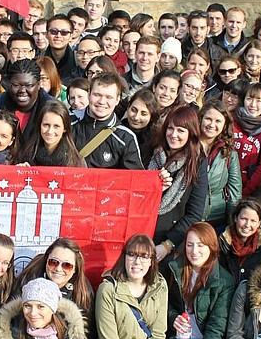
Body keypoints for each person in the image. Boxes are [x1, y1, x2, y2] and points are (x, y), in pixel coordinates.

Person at [162, 223, 234, 339]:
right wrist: (173, 318)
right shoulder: (175, 268)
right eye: (190, 244)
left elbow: (216, 328)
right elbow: (163, 306)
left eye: (201, 245)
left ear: (212, 247)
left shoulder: (223, 281)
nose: (194, 251)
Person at [150, 105, 209, 262]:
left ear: (191, 134)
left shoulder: (198, 163)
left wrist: (167, 245)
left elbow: (194, 213)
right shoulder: (150, 151)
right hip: (140, 232)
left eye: (181, 130)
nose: (174, 135)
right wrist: (152, 186)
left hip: (167, 241)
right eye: (170, 128)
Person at [71, 73, 142, 169]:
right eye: (97, 95)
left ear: (117, 100)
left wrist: (161, 179)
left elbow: (136, 178)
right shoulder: (67, 123)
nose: (102, 101)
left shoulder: (125, 138)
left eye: (109, 97)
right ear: (89, 95)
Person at [199, 99, 242, 232]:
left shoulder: (229, 152)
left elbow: (235, 192)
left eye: (218, 121)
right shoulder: (188, 146)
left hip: (216, 219)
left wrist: (231, 225)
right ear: (200, 119)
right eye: (208, 119)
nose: (212, 125)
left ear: (224, 125)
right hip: (188, 217)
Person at [232, 82, 261, 196]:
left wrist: (246, 191)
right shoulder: (231, 120)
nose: (253, 104)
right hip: (223, 184)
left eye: (259, 100)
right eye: (249, 98)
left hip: (248, 188)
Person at [15, 100, 85, 167]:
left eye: (56, 126)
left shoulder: (75, 162)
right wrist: (19, 171)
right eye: (46, 125)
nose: (50, 131)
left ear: (65, 128)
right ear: (39, 125)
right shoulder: (24, 154)